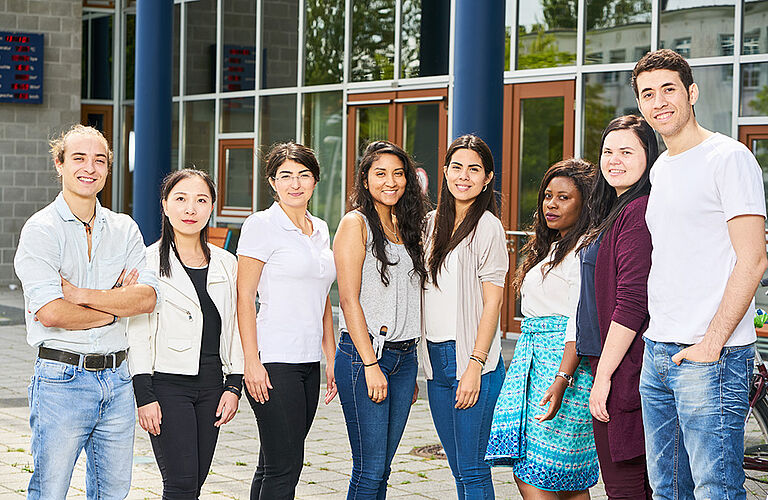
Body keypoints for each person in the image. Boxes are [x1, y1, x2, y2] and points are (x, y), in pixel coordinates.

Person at [633, 49, 767, 498]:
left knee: (717, 489)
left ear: (691, 92)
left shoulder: (728, 158)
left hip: (714, 356)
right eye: (648, 94)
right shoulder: (662, 168)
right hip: (659, 352)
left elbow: (753, 260)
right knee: (666, 488)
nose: (659, 101)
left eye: (669, 89)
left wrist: (711, 343)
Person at [13, 124, 158, 500]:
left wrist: (79, 295)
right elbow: (51, 313)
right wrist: (113, 309)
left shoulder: (125, 229)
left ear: (108, 169)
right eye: (79, 158)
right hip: (62, 379)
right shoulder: (41, 230)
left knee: (113, 493)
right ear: (59, 164)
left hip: (119, 381)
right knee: (50, 491)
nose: (89, 168)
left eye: (99, 160)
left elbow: (145, 300)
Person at [127, 168, 244, 499]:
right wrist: (144, 395)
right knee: (179, 485)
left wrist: (234, 386)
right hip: (166, 386)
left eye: (201, 200)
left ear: (211, 208)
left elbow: (235, 325)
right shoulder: (146, 262)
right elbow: (138, 333)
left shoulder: (226, 263)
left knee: (195, 483)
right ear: (165, 205)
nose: (190, 209)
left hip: (212, 386)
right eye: (181, 199)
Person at [485, 159, 598, 498]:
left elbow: (580, 320)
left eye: (564, 197)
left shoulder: (584, 250)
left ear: (586, 203)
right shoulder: (552, 247)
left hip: (563, 368)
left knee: (542, 473)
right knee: (559, 476)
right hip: (533, 365)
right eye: (548, 195)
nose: (552, 204)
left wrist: (562, 380)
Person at [236, 142, 337, 500]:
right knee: (286, 466)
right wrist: (252, 362)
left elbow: (322, 294)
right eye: (286, 176)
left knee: (273, 462)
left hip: (308, 362)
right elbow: (244, 296)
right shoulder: (261, 225)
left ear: (315, 181)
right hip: (274, 359)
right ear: (272, 182)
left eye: (304, 175)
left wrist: (331, 356)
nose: (295, 184)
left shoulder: (321, 228)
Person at [333, 141, 430, 499]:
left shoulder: (408, 226)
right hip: (366, 356)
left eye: (398, 173)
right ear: (365, 178)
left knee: (383, 470)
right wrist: (372, 365)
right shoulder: (354, 224)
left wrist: (409, 366)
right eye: (380, 173)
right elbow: (348, 299)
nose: (390, 181)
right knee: (369, 470)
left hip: (405, 360)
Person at [571, 115, 657, 499]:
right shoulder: (615, 209)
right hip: (610, 364)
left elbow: (632, 303)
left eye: (627, 151)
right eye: (608, 151)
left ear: (648, 157)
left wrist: (604, 376)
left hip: (625, 370)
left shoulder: (638, 211)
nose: (614, 159)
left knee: (626, 487)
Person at [422, 134, 508, 499]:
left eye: (474, 169)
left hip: (472, 359)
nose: (464, 176)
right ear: (444, 172)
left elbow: (493, 303)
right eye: (457, 167)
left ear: (487, 178)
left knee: (473, 470)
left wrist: (475, 363)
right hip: (435, 360)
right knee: (458, 468)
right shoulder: (429, 224)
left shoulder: (488, 226)